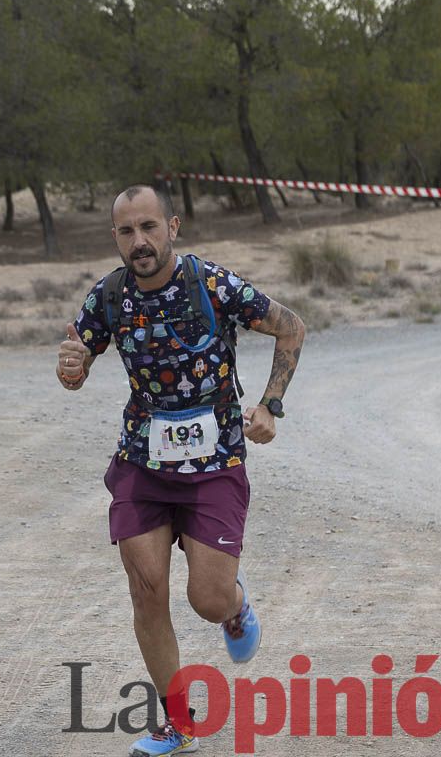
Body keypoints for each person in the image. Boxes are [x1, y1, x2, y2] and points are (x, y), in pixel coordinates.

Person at [57, 184, 305, 757]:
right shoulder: (110, 296)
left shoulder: (212, 285)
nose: (139, 242)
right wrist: (70, 368)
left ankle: (235, 608)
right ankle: (178, 723)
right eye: (126, 231)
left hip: (215, 463)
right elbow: (76, 370)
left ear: (173, 226)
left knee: (207, 601)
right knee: (146, 589)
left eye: (148, 227)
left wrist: (271, 405)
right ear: (115, 238)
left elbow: (291, 326)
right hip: (143, 461)